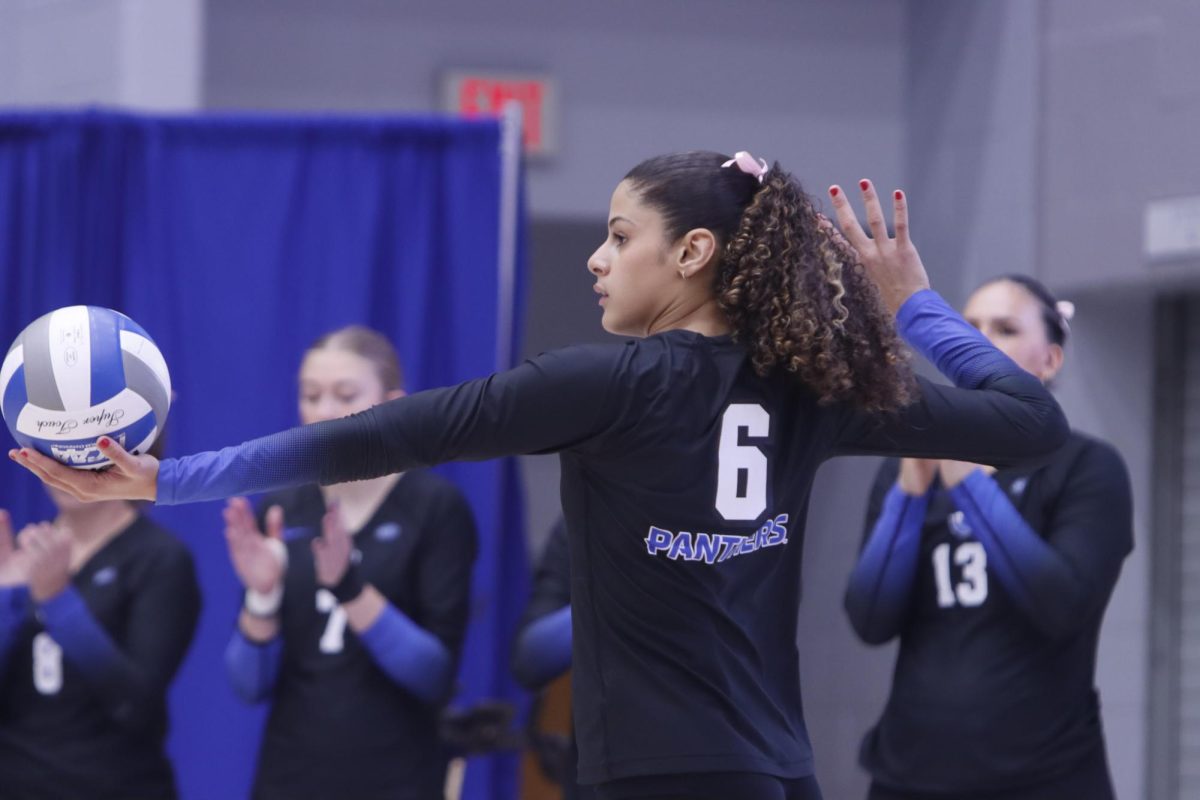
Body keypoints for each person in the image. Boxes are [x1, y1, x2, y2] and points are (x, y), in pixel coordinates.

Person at [11, 151, 1071, 800]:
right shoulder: (810, 387)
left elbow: (389, 434)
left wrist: (167, 479)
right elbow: (1026, 422)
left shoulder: (609, 383)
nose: (597, 259)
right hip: (778, 768)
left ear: (695, 250)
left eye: (620, 235)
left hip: (657, 768)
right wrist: (913, 306)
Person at [844, 275, 1132, 800]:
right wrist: (910, 492)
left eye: (1003, 328)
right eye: (968, 326)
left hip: (1047, 775)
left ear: (1049, 360)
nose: (977, 340)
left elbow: (1061, 605)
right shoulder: (906, 469)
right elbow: (870, 620)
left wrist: (963, 472)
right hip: (911, 774)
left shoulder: (1088, 467)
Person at [221, 326, 479, 800]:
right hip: (289, 776)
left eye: (344, 395)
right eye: (311, 396)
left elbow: (433, 676)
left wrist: (350, 589)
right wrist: (262, 597)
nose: (325, 412)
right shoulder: (284, 508)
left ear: (391, 404)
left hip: (396, 777)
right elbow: (248, 686)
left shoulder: (433, 507)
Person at [0, 485, 201, 799]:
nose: (68, 461)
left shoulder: (160, 559)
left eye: (86, 445)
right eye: (57, 447)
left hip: (113, 784)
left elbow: (135, 704)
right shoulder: (18, 556)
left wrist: (58, 600)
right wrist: (4, 603)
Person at [511, 519, 582, 798]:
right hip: (608, 771)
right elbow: (530, 659)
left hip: (715, 760)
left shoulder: (724, 521)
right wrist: (615, 595)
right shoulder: (588, 517)